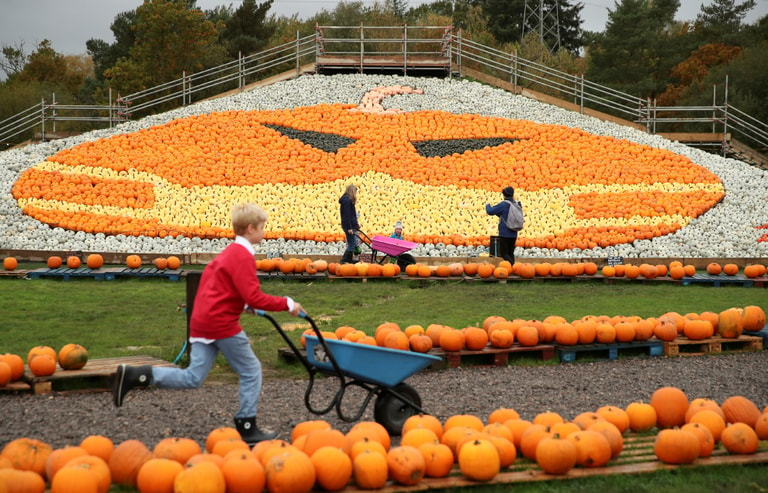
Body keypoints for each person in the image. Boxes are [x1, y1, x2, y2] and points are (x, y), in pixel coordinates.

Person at [112, 203, 305, 445]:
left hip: (203, 321)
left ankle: (137, 375)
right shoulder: (242, 256)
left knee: (193, 377)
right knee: (251, 370)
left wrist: (244, 306)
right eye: (262, 227)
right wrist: (288, 304)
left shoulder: (229, 253)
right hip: (221, 324)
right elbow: (254, 295)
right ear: (250, 228)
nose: (264, 232)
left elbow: (222, 287)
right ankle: (247, 425)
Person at [485, 186, 521, 265]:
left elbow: (490, 211)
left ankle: (511, 266)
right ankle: (512, 268)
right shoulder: (516, 204)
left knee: (504, 253)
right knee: (510, 253)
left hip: (505, 232)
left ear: (504, 195)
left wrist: (487, 205)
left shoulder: (504, 204)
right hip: (514, 232)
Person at [339, 184, 360, 264]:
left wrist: (356, 225)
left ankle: (348, 260)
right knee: (352, 244)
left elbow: (352, 215)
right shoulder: (347, 201)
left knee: (352, 243)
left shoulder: (347, 200)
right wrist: (349, 228)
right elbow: (347, 216)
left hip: (350, 225)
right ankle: (344, 260)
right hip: (348, 226)